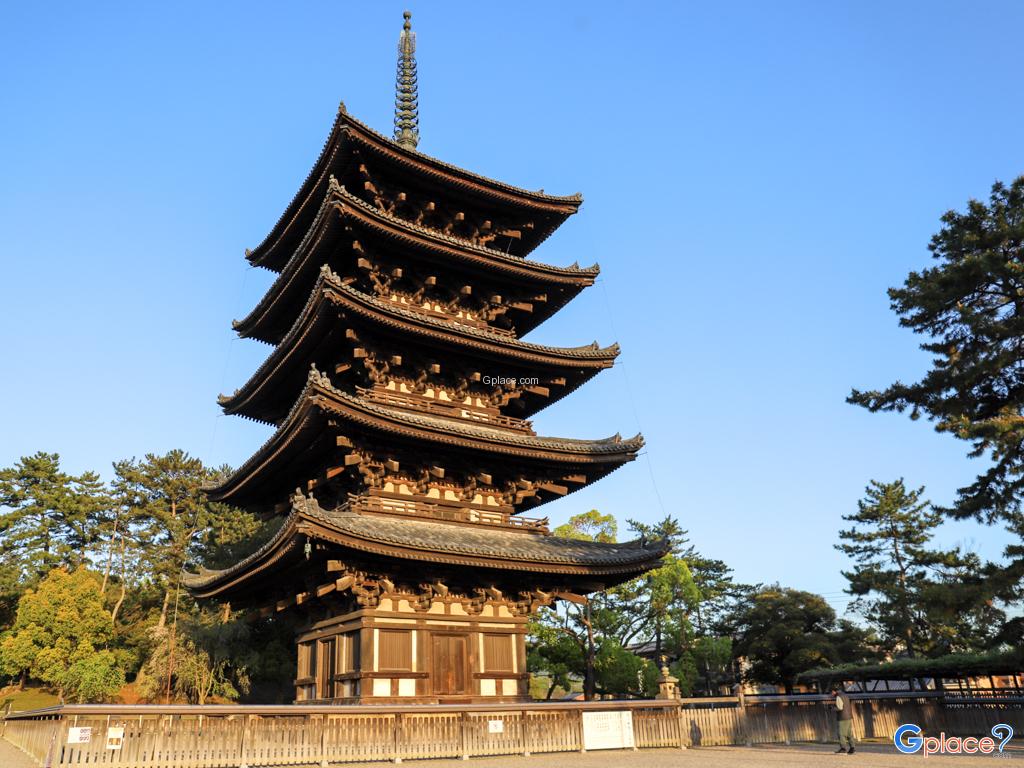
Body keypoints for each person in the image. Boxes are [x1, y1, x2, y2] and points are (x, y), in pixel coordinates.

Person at [831, 685, 855, 754]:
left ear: (834, 691)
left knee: (841, 733)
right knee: (849, 733)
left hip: (842, 717)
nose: (831, 694)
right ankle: (852, 747)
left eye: (831, 692)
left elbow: (840, 708)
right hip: (849, 717)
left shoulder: (838, 697)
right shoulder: (845, 695)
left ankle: (843, 748)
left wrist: (832, 708)